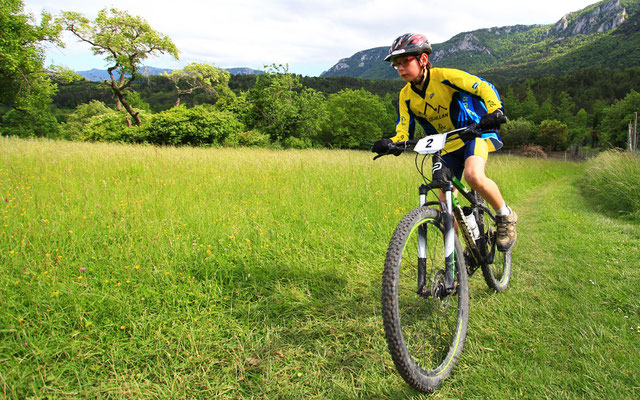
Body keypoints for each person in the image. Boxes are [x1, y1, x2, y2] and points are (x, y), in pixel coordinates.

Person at [372, 33, 517, 251]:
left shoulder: (445, 76)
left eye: (405, 62)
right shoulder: (405, 95)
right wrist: (392, 143)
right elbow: (404, 129)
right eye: (396, 65)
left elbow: (483, 87)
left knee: (473, 176)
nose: (400, 68)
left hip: (473, 135)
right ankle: (457, 256)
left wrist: (495, 111)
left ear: (422, 60)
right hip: (445, 147)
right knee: (444, 200)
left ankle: (505, 216)